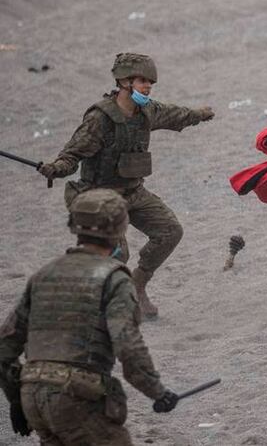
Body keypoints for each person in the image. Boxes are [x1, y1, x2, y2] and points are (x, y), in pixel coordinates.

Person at [37, 53, 214, 319]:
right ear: (124, 81)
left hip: (134, 193)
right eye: (142, 81)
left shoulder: (147, 112)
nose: (148, 87)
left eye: (150, 82)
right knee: (118, 253)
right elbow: (72, 155)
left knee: (170, 231)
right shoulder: (100, 119)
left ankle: (138, 285)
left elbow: (176, 115)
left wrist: (199, 114)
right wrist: (56, 168)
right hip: (100, 198)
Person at [0, 190, 179, 444]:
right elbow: (127, 346)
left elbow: (5, 348)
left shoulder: (45, 274)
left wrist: (17, 399)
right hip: (76, 397)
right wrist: (157, 392)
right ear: (119, 229)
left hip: (33, 396)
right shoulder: (114, 278)